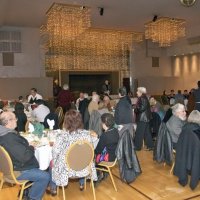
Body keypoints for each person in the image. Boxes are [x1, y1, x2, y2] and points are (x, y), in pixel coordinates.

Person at [0, 111, 50, 200]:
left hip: (10, 167)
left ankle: (26, 191)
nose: (16, 120)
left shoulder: (3, 133)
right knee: (45, 176)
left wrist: (26, 145)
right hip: (17, 170)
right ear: (9, 121)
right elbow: (25, 157)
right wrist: (31, 147)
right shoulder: (9, 138)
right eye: (15, 118)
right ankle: (33, 197)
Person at [52, 109, 98, 191]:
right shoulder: (87, 135)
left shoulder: (62, 137)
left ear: (66, 122)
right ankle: (81, 183)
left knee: (51, 162)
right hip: (85, 168)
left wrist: (55, 161)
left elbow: (55, 152)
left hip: (68, 170)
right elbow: (92, 149)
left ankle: (53, 188)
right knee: (81, 156)